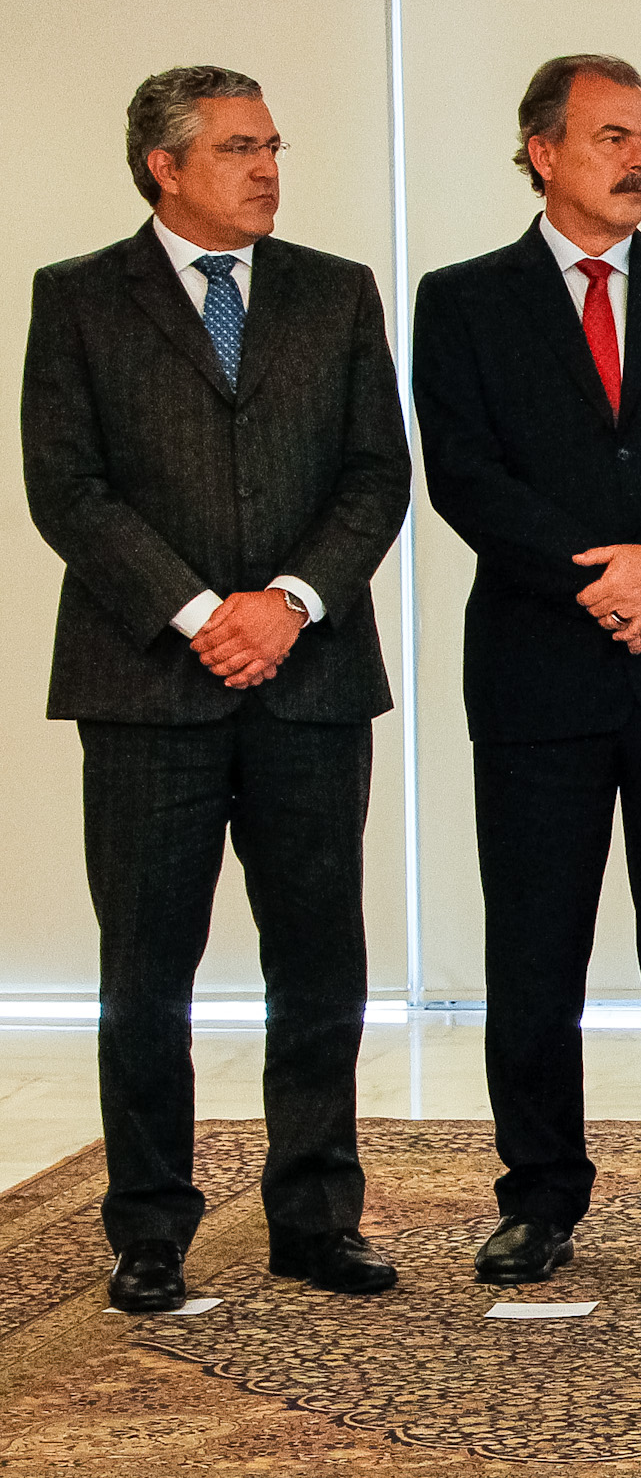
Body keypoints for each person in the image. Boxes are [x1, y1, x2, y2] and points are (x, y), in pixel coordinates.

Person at [20, 65, 414, 1314]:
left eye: (274, 145)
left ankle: (314, 1216)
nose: (268, 168)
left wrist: (286, 605)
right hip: (149, 688)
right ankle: (150, 1228)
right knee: (148, 970)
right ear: (164, 166)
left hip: (309, 683)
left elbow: (375, 475)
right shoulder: (78, 299)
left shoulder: (334, 292)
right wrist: (202, 615)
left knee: (321, 964)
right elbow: (67, 488)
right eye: (241, 147)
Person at [413, 54, 641, 1288]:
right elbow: (464, 475)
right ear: (541, 150)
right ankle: (538, 1195)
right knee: (534, 948)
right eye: (612, 136)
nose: (638, 160)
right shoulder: (462, 300)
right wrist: (602, 582)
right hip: (539, 669)